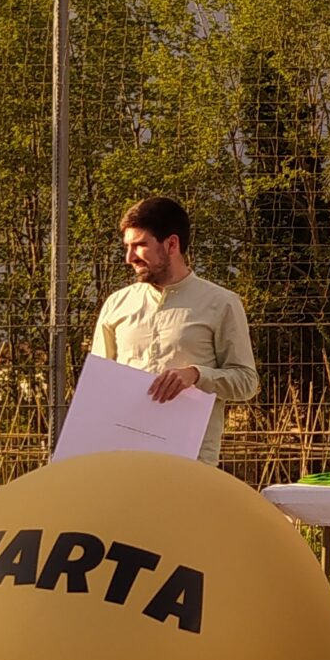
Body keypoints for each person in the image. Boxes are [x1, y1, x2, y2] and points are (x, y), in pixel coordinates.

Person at [90, 197, 258, 469]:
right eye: (127, 247)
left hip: (190, 465)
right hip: (126, 460)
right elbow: (98, 387)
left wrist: (196, 375)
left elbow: (246, 382)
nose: (129, 258)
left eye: (140, 245)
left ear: (171, 244)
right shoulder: (116, 304)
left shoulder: (222, 303)